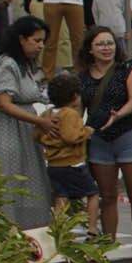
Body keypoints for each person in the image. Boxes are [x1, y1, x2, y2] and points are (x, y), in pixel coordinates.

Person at [77, 27, 132, 244]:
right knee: (107, 196)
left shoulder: (130, 69)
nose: (106, 48)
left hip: (129, 135)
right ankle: (108, 245)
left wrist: (118, 115)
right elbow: (78, 109)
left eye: (109, 43)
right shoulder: (82, 77)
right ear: (90, 49)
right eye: (100, 44)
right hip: (99, 140)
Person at [0, 17, 56, 228]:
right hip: (5, 132)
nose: (41, 45)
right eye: (37, 40)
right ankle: (5, 232)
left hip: (23, 131)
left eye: (43, 41)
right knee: (9, 181)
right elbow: (4, 103)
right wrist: (40, 121)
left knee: (29, 182)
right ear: (22, 39)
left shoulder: (23, 65)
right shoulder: (7, 63)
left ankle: (28, 233)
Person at [41, 74, 99, 233]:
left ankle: (57, 229)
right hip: (72, 163)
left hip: (53, 164)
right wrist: (86, 131)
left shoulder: (48, 114)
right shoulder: (70, 114)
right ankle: (92, 227)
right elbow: (70, 136)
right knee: (93, 194)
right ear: (75, 96)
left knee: (61, 196)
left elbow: (37, 134)